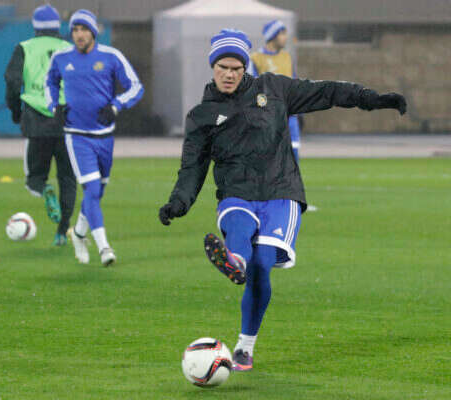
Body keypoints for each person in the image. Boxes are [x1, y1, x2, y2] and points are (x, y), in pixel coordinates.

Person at [159, 29, 405, 371]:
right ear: (212, 67)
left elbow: (327, 91)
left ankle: (244, 346)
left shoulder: (274, 89)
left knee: (262, 265)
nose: (229, 74)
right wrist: (179, 202)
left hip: (281, 192)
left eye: (235, 68)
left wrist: (371, 98)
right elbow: (192, 168)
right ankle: (234, 261)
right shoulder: (202, 115)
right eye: (222, 67)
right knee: (239, 228)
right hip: (236, 192)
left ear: (245, 67)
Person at [46, 9, 144, 266]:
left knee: (97, 193)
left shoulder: (111, 56)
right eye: (75, 30)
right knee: (90, 189)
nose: (79, 34)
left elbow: (136, 86)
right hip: (77, 136)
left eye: (84, 29)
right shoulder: (61, 58)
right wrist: (54, 106)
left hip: (105, 137)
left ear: (93, 32)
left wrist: (116, 106)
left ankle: (79, 234)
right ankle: (104, 247)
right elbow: (50, 83)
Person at [4, 4, 76, 246]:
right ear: (58, 26)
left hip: (36, 120)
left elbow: (12, 82)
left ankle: (45, 189)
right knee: (68, 178)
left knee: (33, 179)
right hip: (67, 120)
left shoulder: (24, 48)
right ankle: (62, 231)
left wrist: (16, 112)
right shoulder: (69, 48)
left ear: (35, 26)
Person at [250, 20, 318, 211]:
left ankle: (292, 201)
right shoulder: (255, 58)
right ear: (272, 35)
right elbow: (252, 89)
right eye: (282, 33)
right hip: (268, 118)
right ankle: (264, 199)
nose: (285, 37)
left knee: (293, 157)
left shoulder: (287, 57)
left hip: (290, 117)